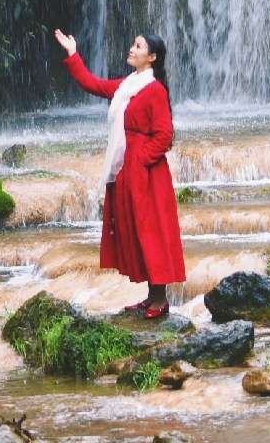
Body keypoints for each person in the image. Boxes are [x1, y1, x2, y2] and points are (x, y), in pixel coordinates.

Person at [53, 27, 186, 319]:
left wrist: (139, 161)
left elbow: (164, 135)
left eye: (137, 46)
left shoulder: (154, 90)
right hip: (127, 169)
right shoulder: (128, 85)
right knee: (136, 231)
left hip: (146, 174)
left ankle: (160, 300)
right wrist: (73, 53)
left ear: (151, 57)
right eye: (133, 44)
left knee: (151, 231)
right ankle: (151, 296)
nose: (131, 49)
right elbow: (93, 84)